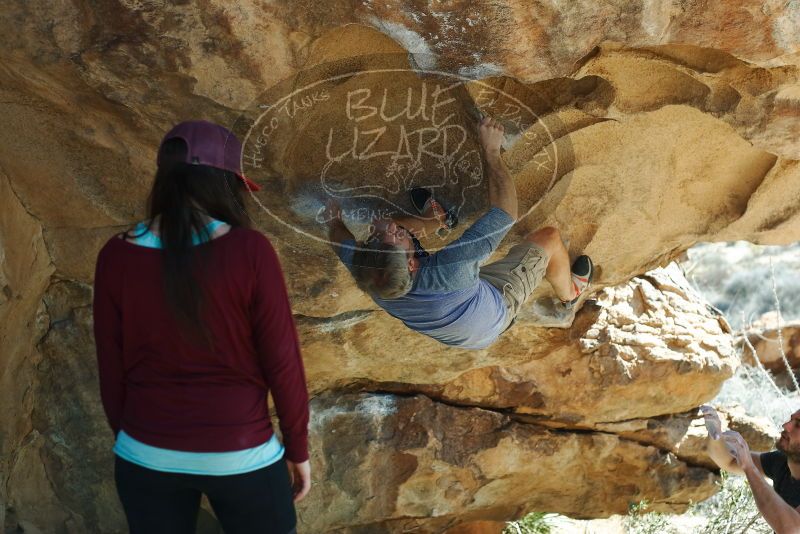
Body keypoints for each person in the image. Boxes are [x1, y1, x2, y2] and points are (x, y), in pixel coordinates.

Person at [93, 120, 310, 534]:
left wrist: (136, 439)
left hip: (144, 453)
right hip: (240, 452)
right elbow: (283, 363)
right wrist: (297, 449)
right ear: (222, 183)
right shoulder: (250, 250)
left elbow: (111, 364)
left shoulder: (115, 255)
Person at [326, 116, 593, 350]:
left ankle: (437, 218)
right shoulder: (452, 270)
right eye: (396, 239)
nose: (392, 230)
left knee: (385, 225)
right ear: (411, 263)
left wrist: (333, 219)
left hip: (459, 322)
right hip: (494, 313)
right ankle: (570, 294)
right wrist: (491, 151)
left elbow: (341, 240)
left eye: (374, 243)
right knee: (548, 239)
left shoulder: (372, 275)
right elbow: (505, 214)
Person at [702, 405, 800, 533]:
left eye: (798, 425)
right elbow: (729, 461)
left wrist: (749, 467)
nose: (786, 426)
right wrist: (715, 434)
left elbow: (791, 529)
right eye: (791, 420)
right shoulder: (782, 462)